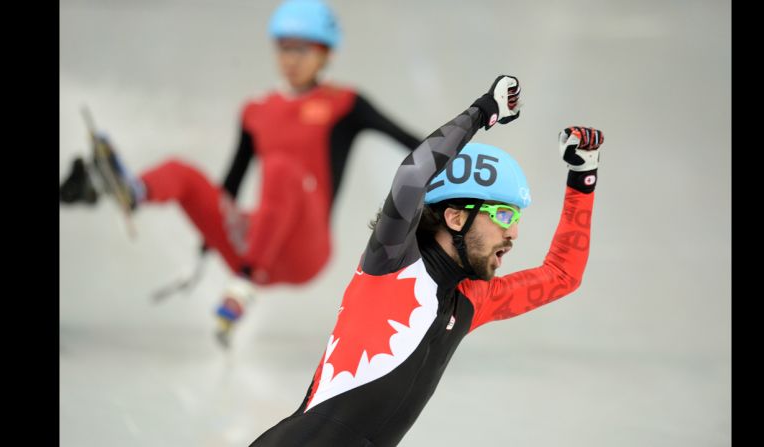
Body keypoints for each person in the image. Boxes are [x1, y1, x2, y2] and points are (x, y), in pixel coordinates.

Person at [248, 75, 604, 446]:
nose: (513, 234)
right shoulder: (391, 261)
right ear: (455, 217)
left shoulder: (472, 301)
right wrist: (482, 112)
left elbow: (562, 275)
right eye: (502, 216)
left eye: (515, 219)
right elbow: (413, 175)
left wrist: (583, 178)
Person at [58, 0, 422, 347]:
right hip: (256, 239)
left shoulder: (344, 103)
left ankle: (242, 288)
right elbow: (231, 183)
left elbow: (409, 140)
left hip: (305, 251)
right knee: (182, 170)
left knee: (282, 167)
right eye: (283, 48)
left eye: (302, 49)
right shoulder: (256, 109)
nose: (290, 59)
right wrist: (206, 243)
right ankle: (131, 190)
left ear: (326, 53)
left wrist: (461, 157)